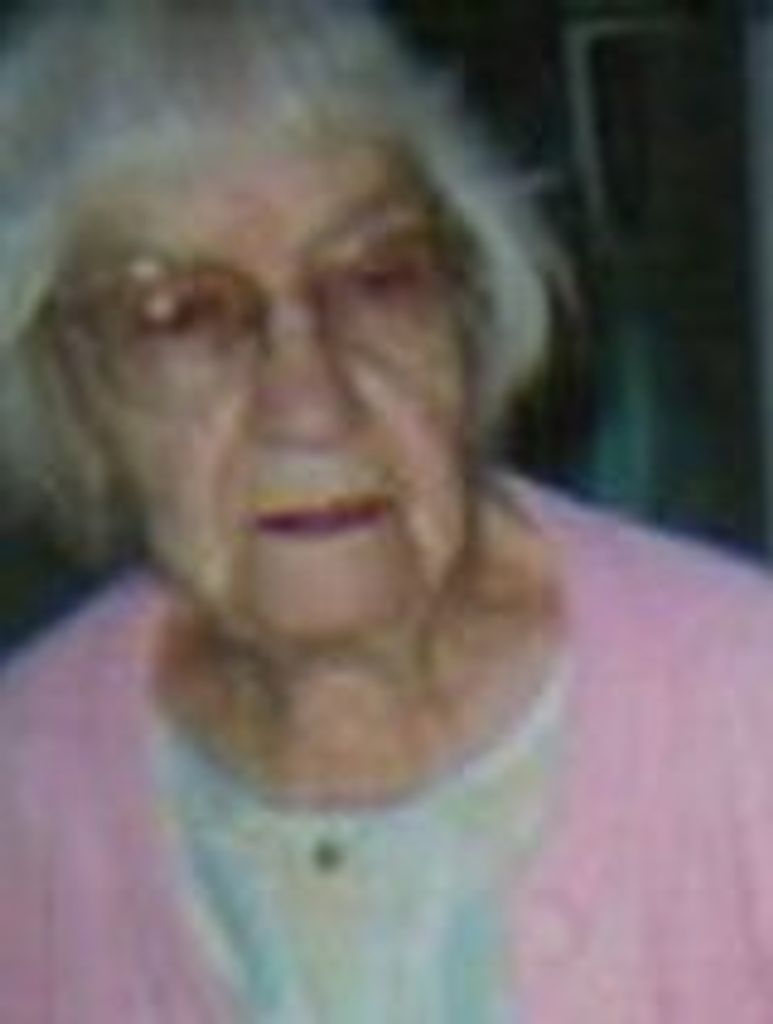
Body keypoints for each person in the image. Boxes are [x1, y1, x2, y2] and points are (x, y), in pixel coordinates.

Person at [1, 2, 773, 1021]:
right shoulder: (27, 779)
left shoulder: (743, 709)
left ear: (472, 310)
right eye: (179, 317)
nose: (310, 403)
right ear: (69, 390)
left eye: (376, 281)